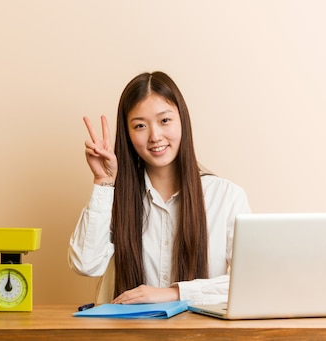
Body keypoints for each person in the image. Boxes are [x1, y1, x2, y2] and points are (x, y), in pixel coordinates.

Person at [68, 71, 250, 305]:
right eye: (140, 126)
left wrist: (174, 293)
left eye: (165, 121)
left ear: (182, 120)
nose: (155, 136)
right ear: (128, 134)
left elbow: (246, 282)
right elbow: (85, 264)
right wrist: (103, 182)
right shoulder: (116, 196)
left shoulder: (226, 197)